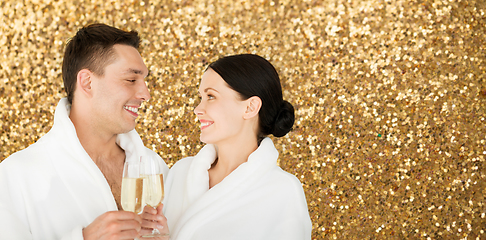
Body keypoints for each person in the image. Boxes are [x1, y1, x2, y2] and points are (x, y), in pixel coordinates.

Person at [0, 23, 169, 239]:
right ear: (87, 82)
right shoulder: (15, 176)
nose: (145, 94)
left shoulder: (155, 169)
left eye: (144, 80)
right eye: (131, 80)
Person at [163, 54, 312, 239]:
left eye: (211, 96)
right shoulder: (181, 172)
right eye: (200, 97)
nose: (198, 109)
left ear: (250, 107)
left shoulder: (283, 190)